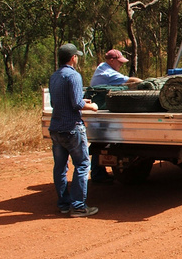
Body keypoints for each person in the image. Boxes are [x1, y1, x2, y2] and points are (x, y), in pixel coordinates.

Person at [49, 43, 99, 218]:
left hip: (55, 128)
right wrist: (91, 106)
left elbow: (54, 103)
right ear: (73, 58)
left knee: (60, 167)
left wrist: (80, 100)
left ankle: (63, 204)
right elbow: (77, 104)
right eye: (76, 56)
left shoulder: (54, 76)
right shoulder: (74, 76)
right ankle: (78, 206)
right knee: (83, 164)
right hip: (72, 128)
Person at [87, 49, 141, 184]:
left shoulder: (103, 68)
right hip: (101, 110)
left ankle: (98, 173)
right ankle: (98, 174)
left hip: (100, 110)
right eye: (119, 62)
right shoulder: (107, 72)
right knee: (103, 141)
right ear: (111, 60)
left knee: (100, 141)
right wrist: (145, 82)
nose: (121, 65)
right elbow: (129, 81)